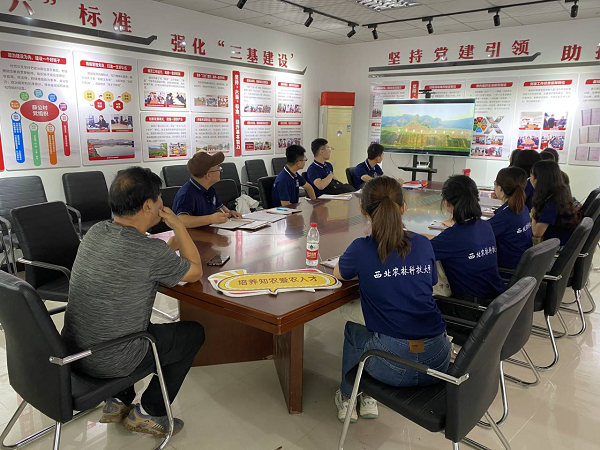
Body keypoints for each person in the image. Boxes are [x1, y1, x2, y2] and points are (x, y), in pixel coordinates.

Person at [61, 167, 204, 437]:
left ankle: (118, 400)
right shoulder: (150, 251)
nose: (162, 203)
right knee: (192, 334)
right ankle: (149, 412)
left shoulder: (95, 232)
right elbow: (195, 271)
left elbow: (147, 259)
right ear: (148, 205)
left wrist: (173, 242)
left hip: (74, 351)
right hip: (111, 360)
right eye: (159, 197)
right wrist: (179, 226)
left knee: (120, 320)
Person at [333, 176, 449, 423]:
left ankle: (348, 397)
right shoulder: (423, 244)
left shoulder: (361, 248)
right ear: (403, 207)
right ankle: (367, 398)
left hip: (392, 369)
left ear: (363, 210)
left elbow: (339, 274)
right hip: (438, 361)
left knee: (354, 327)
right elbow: (429, 283)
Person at [431, 175, 506, 302]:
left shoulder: (452, 237)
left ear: (446, 203)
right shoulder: (486, 226)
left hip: (469, 307)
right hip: (496, 300)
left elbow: (419, 253)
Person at [172, 152, 242, 227]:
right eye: (218, 168)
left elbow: (219, 207)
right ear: (208, 175)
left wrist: (229, 213)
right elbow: (181, 220)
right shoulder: (186, 194)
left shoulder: (209, 189)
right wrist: (210, 219)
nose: (220, 170)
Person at [489, 167, 533, 270]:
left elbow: (478, 236)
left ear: (500, 188)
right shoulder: (523, 208)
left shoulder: (505, 217)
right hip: (522, 267)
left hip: (506, 270)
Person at [530, 160, 581, 246]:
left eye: (531, 175)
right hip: (559, 243)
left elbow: (537, 233)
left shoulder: (551, 204)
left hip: (556, 248)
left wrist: (533, 215)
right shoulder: (560, 194)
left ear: (538, 179)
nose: (530, 178)